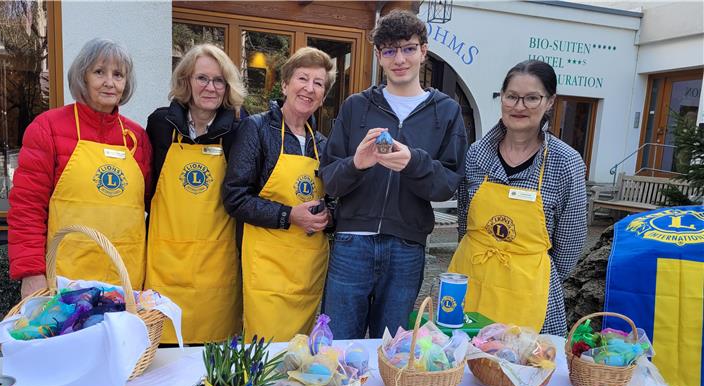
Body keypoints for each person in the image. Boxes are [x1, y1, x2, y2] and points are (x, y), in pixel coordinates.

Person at [320, 10, 467, 339]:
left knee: (394, 348)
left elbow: (448, 184)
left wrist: (413, 163)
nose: (399, 59)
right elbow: (330, 179)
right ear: (379, 56)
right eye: (389, 50)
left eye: (408, 49)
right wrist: (356, 163)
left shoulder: (446, 111)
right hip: (351, 243)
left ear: (423, 51)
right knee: (339, 342)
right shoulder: (356, 106)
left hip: (407, 246)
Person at [448, 59, 587, 336]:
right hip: (474, 283)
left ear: (550, 102)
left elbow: (570, 245)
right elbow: (465, 223)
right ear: (502, 98)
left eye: (532, 98)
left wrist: (532, 275)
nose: (519, 106)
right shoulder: (476, 155)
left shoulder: (566, 162)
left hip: (530, 294)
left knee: (524, 369)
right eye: (512, 96)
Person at [8, 38, 152, 298]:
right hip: (64, 282)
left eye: (118, 74)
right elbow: (26, 208)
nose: (110, 82)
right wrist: (31, 273)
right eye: (99, 72)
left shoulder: (137, 138)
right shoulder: (47, 128)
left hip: (126, 281)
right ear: (82, 77)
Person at [223, 47, 335, 342]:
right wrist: (289, 215)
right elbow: (235, 198)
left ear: (323, 95)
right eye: (302, 78)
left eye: (319, 83)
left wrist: (328, 215)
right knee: (265, 352)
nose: (309, 88)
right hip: (267, 272)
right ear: (285, 84)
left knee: (300, 355)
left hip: (307, 272)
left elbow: (335, 198)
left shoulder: (322, 144)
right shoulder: (256, 129)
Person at [145, 44, 246, 345]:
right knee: (163, 356)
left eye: (219, 81)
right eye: (202, 78)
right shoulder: (160, 125)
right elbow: (147, 187)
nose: (210, 87)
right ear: (186, 80)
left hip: (217, 264)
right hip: (165, 263)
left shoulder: (239, 129)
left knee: (212, 360)